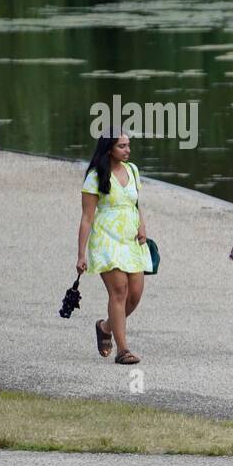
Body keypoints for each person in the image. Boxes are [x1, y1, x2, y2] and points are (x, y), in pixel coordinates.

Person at [76, 133, 152, 365]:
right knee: (119, 291)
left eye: (128, 145)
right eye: (122, 146)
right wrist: (81, 254)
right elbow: (87, 217)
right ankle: (123, 350)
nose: (127, 150)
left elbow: (135, 203)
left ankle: (105, 326)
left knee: (135, 294)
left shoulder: (133, 170)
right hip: (106, 240)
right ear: (109, 149)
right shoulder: (95, 176)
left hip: (130, 239)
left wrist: (142, 226)